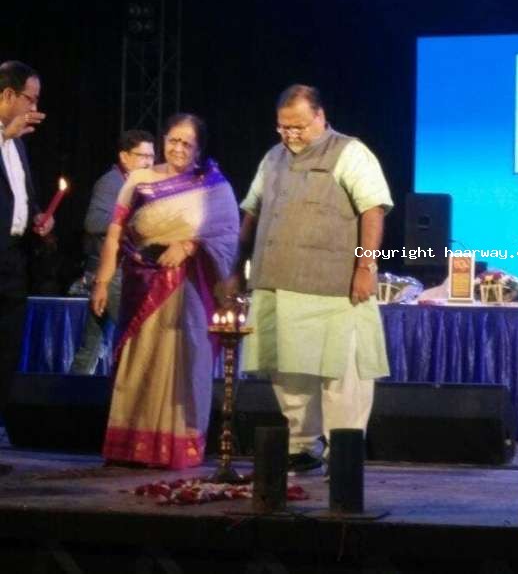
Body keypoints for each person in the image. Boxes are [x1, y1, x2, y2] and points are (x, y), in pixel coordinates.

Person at [237, 85, 393, 473]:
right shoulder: (272, 157)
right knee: (287, 371)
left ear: (320, 117)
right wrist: (236, 267)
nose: (291, 135)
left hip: (334, 287)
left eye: (299, 127)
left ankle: (343, 452)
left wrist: (365, 267)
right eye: (283, 127)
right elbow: (252, 212)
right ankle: (302, 446)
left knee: (342, 373)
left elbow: (373, 210)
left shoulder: (350, 152)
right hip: (276, 282)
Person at [91, 113, 238, 469]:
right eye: (173, 140)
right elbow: (115, 232)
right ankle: (131, 446)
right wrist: (102, 281)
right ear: (163, 141)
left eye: (188, 143)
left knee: (180, 362)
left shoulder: (213, 187)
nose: (179, 148)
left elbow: (227, 233)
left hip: (186, 287)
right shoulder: (139, 179)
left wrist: (189, 245)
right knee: (139, 362)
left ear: (199, 150)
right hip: (139, 283)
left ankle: (174, 447)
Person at [0, 61, 53, 476]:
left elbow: (21, 196)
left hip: (13, 262)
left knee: (5, 354)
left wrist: (38, 218)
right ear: (7, 95)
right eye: (30, 99)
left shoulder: (19, 142)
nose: (34, 109)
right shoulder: (9, 135)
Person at [70, 129, 155, 375]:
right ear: (124, 157)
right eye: (142, 156)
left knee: (91, 347)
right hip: (111, 273)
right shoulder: (111, 183)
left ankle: (74, 393)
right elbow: (93, 222)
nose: (149, 162)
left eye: (151, 156)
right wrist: (133, 222)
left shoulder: (142, 185)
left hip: (118, 272)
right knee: (137, 335)